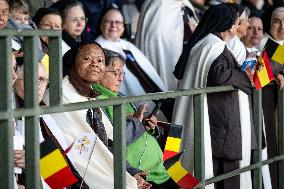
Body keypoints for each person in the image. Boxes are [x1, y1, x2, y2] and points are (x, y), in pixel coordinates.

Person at [173, 3, 253, 189]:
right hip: (218, 128)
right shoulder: (213, 45)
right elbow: (219, 75)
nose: (237, 25)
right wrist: (245, 76)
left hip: (215, 125)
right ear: (227, 23)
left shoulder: (207, 43)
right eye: (236, 22)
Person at [50, 41, 138, 189]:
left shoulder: (88, 93)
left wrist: (130, 173)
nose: (95, 64)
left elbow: (109, 140)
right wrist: (126, 180)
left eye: (100, 60)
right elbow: (80, 154)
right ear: (72, 62)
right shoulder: (60, 95)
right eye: (87, 59)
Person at [92, 49, 180, 189]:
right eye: (115, 72)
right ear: (99, 72)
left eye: (122, 73)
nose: (120, 78)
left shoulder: (119, 96)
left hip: (159, 169)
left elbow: (136, 127)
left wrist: (147, 126)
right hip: (140, 175)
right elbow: (113, 140)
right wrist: (136, 122)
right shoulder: (97, 102)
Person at [95, 8, 167, 119]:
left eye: (118, 22)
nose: (113, 25)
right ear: (101, 25)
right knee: (165, 126)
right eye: (108, 21)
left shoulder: (126, 45)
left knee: (173, 123)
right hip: (132, 106)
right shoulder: (98, 48)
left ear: (123, 27)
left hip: (157, 99)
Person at [135, 0, 199, 91]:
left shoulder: (185, 3)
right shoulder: (158, 4)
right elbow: (157, 40)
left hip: (184, 60)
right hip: (164, 57)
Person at [257, 3, 284, 189]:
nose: (282, 27)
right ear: (269, 24)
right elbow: (261, 73)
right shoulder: (264, 42)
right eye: (277, 22)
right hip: (270, 113)